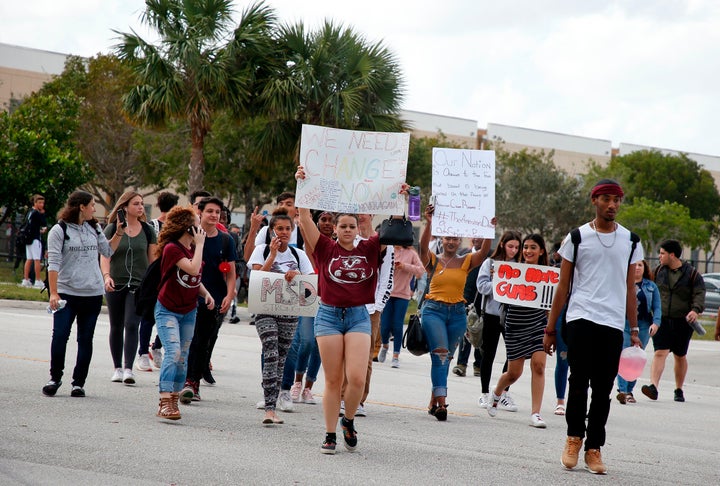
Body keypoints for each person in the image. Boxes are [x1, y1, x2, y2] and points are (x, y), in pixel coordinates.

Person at [544, 179, 643, 475]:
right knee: (578, 381)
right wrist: (550, 329)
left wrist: (634, 330)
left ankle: (594, 448)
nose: (612, 205)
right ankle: (574, 438)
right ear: (594, 201)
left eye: (617, 200)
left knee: (603, 388)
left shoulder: (631, 241)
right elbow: (563, 285)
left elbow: (629, 288)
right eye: (606, 199)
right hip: (580, 317)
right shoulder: (576, 237)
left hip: (612, 322)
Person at [294, 165, 393, 454]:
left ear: (358, 228)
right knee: (333, 380)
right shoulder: (324, 248)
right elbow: (303, 216)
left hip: (358, 315)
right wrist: (302, 183)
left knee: (358, 378)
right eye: (343, 226)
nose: (348, 230)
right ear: (335, 229)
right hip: (328, 315)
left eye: (352, 226)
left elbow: (395, 226)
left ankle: (348, 419)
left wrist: (399, 199)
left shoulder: (371, 247)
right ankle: (329, 433)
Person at [418, 203, 492, 422]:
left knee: (446, 358)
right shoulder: (433, 260)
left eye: (455, 238)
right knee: (440, 354)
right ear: (442, 239)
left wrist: (489, 230)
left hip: (458, 315)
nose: (451, 241)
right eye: (447, 238)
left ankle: (433, 401)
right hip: (434, 312)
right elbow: (422, 249)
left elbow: (485, 251)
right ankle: (442, 404)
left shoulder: (467, 261)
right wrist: (429, 223)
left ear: (460, 241)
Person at [42, 191, 113, 397]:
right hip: (67, 292)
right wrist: (53, 293)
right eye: (92, 205)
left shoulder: (94, 227)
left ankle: (78, 383)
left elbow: (107, 252)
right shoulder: (59, 230)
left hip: (92, 293)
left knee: (85, 339)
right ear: (81, 206)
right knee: (60, 336)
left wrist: (118, 233)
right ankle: (54, 378)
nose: (94, 209)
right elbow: (53, 263)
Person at [248, 208, 314, 425]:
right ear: (271, 231)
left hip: (289, 313)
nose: (283, 232)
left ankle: (273, 401)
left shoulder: (298, 255)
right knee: (271, 352)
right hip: (266, 311)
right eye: (279, 229)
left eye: (287, 229)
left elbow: (311, 281)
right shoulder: (261, 250)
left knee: (282, 358)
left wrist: (298, 275)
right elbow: (257, 277)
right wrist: (273, 256)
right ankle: (269, 408)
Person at [154, 206, 214, 420]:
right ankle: (164, 399)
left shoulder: (192, 249)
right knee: (174, 351)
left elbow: (194, 279)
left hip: (189, 309)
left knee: (183, 356)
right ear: (187, 227)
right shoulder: (173, 248)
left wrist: (206, 293)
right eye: (197, 223)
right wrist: (199, 245)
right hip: (167, 309)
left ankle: (174, 398)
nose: (201, 227)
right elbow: (192, 268)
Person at [487, 234, 549, 428]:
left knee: (539, 365)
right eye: (526, 247)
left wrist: (551, 330)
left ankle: (535, 413)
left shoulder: (549, 274)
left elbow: (553, 302)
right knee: (514, 373)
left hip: (539, 323)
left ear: (541, 251)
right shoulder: (512, 270)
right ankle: (497, 392)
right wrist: (496, 280)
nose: (528, 251)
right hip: (515, 324)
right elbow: (502, 295)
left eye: (533, 247)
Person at [180, 196, 237, 403]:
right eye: (210, 211)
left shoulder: (226, 239)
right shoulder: (189, 236)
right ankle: (181, 380)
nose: (214, 215)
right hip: (188, 295)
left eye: (217, 212)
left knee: (203, 341)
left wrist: (229, 296)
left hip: (214, 298)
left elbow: (231, 273)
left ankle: (192, 383)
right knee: (187, 340)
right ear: (200, 213)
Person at [340, 213, 394, 417]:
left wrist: (377, 306)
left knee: (364, 357)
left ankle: (358, 399)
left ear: (372, 214)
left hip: (370, 309)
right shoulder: (346, 238)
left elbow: (388, 277)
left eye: (365, 211)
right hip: (344, 304)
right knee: (342, 354)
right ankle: (342, 396)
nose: (361, 215)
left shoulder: (383, 243)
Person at [101, 191, 157, 385]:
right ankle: (117, 368)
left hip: (138, 286)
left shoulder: (148, 230)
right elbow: (105, 255)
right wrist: (107, 276)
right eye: (136, 204)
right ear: (125, 206)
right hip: (115, 283)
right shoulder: (111, 228)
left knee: (132, 324)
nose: (140, 207)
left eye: (142, 203)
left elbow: (153, 260)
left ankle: (128, 369)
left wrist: (153, 284)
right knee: (116, 326)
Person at [642, 240, 705, 403]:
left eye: (662, 253)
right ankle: (653, 387)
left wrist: (695, 310)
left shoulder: (691, 274)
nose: (659, 256)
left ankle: (679, 389)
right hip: (661, 319)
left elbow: (699, 293)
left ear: (672, 255)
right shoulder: (657, 272)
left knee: (680, 355)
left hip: (683, 321)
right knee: (660, 352)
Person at [286, 210, 334, 405]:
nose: (327, 223)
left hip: (330, 299)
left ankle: (308, 387)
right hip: (309, 296)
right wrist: (302, 219)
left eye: (331, 220)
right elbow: (307, 240)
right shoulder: (312, 244)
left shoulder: (340, 246)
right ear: (317, 222)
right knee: (306, 341)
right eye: (323, 219)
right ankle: (297, 382)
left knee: (319, 347)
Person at [476, 230, 522, 411]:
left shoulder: (521, 265)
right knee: (488, 354)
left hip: (514, 314)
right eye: (511, 246)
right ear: (502, 244)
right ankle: (484, 393)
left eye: (517, 247)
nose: (514, 250)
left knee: (513, 355)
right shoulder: (490, 263)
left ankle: (503, 392)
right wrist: (502, 286)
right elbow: (481, 286)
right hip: (492, 313)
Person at [141, 191, 179, 371]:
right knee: (150, 316)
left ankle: (154, 347)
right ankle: (145, 351)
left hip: (167, 275)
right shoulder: (153, 226)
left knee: (167, 315)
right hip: (158, 273)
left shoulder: (176, 227)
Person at [616, 259, 661, 404]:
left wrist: (656, 323)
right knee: (623, 356)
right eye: (634, 265)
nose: (637, 268)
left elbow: (657, 307)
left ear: (644, 268)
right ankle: (622, 390)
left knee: (636, 358)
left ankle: (630, 390)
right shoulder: (622, 283)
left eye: (640, 265)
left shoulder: (651, 286)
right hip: (624, 324)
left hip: (643, 325)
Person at [378, 244, 424, 368]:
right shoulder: (387, 249)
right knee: (385, 325)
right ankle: (385, 345)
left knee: (397, 325)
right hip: (387, 293)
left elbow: (421, 270)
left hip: (403, 294)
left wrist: (404, 266)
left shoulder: (411, 253)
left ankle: (396, 356)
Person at [454, 238, 493, 377]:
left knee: (480, 332)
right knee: (465, 332)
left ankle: (478, 364)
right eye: (475, 236)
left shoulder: (491, 258)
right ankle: (461, 364)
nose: (477, 239)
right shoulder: (464, 255)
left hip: (484, 301)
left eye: (481, 236)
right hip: (466, 299)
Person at [21, 194, 48, 289]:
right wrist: (43, 214)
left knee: (29, 259)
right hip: (35, 238)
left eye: (43, 203)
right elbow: (43, 223)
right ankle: (37, 280)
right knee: (37, 259)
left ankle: (26, 279)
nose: (42, 205)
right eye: (40, 203)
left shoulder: (30, 212)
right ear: (35, 203)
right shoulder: (37, 213)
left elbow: (31, 225)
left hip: (28, 238)